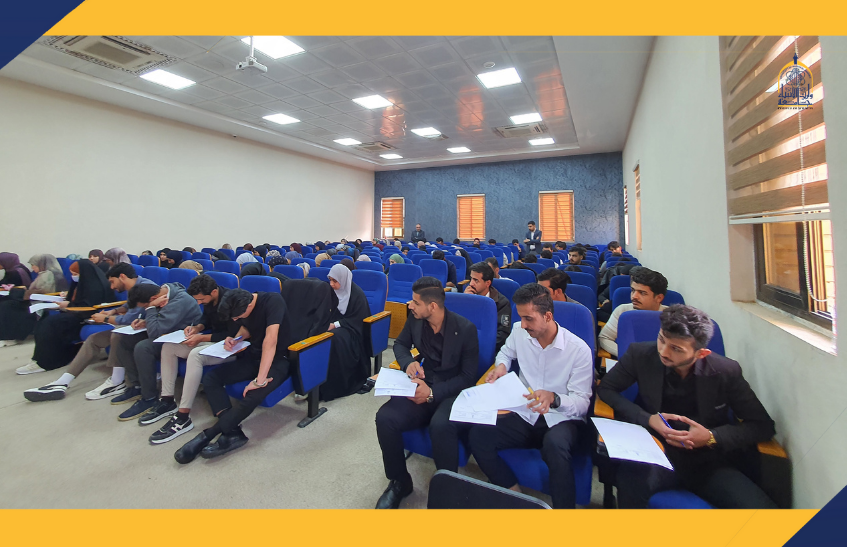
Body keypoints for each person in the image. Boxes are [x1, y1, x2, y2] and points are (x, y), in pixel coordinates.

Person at [598, 305, 777, 509]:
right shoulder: (641, 354)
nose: (663, 352)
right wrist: (647, 419)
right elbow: (607, 389)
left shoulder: (726, 371)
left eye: (676, 349)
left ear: (701, 353)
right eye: (661, 339)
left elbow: (763, 426)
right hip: (656, 454)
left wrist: (711, 436)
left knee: (762, 510)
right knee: (630, 484)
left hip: (707, 461)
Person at [433, 283, 593, 508]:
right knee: (479, 436)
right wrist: (501, 366)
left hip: (560, 417)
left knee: (555, 447)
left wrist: (555, 398)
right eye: (521, 318)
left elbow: (582, 403)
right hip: (525, 410)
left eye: (529, 319)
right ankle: (513, 493)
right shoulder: (519, 331)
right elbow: (505, 353)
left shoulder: (578, 350)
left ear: (548, 316)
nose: (523, 324)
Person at [374, 277, 479, 509]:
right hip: (423, 380)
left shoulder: (465, 329)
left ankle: (447, 489)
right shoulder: (415, 320)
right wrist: (407, 363)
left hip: (452, 389)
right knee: (385, 418)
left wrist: (432, 393)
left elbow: (468, 377)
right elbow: (400, 345)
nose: (410, 305)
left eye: (415, 302)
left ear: (432, 306)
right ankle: (400, 482)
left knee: (440, 426)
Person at [173, 288, 294, 463]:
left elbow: (271, 340)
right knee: (211, 378)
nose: (236, 320)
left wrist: (260, 380)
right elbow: (247, 327)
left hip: (278, 359)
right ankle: (232, 432)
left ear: (248, 305)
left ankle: (208, 435)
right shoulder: (242, 303)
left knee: (253, 394)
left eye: (237, 317)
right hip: (254, 356)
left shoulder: (273, 301)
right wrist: (236, 338)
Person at [22, 263, 157, 401]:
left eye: (112, 282)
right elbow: (129, 305)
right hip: (134, 328)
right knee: (93, 339)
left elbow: (129, 318)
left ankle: (117, 381)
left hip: (148, 329)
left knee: (117, 335)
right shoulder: (135, 287)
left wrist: (105, 318)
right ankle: (63, 381)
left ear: (122, 276)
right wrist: (114, 311)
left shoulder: (145, 287)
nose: (112, 287)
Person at [148, 275, 240, 444]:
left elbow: (232, 334)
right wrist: (197, 327)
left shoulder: (231, 300)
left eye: (201, 299)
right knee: (169, 347)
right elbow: (206, 319)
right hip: (214, 342)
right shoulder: (209, 298)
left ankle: (183, 416)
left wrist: (201, 338)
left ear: (214, 292)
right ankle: (167, 400)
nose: (198, 303)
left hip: (231, 347)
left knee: (195, 355)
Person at [110, 282, 202, 422]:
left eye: (145, 306)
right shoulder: (162, 293)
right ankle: (136, 386)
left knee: (143, 347)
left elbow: (155, 332)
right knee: (124, 341)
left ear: (153, 299)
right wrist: (144, 321)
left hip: (179, 339)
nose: (145, 308)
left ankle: (149, 397)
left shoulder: (180, 300)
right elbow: (159, 322)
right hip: (165, 332)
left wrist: (151, 309)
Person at [16, 259, 115, 375]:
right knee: (44, 319)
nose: (74, 277)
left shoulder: (96, 286)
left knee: (50, 324)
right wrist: (67, 299)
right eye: (72, 274)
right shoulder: (83, 282)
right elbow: (77, 299)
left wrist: (69, 305)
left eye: (76, 274)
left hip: (88, 317)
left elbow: (89, 306)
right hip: (75, 313)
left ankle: (45, 362)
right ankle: (39, 357)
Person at [319, 264, 372, 401]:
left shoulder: (357, 295)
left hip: (352, 331)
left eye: (335, 281)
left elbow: (358, 320)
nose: (331, 284)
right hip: (333, 326)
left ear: (343, 280)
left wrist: (335, 325)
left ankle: (333, 386)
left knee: (334, 339)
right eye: (330, 280)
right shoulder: (330, 292)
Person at [599, 267, 669, 357]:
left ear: (659, 298)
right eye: (633, 290)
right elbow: (604, 338)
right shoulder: (622, 310)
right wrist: (629, 355)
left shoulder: (671, 317)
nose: (634, 296)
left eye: (642, 293)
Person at [0, 254, 66, 348]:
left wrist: (23, 292)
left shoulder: (48, 275)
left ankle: (10, 337)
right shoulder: (43, 274)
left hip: (42, 301)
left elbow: (43, 291)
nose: (32, 268)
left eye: (33, 265)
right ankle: (6, 336)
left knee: (7, 307)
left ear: (41, 264)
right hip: (35, 298)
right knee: (6, 304)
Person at [464, 262, 511, 353]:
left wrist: (477, 346)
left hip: (486, 349)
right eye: (471, 279)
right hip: (465, 347)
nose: (471, 284)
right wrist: (465, 301)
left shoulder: (502, 303)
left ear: (487, 283)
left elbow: (502, 335)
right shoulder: (466, 296)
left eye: (476, 280)